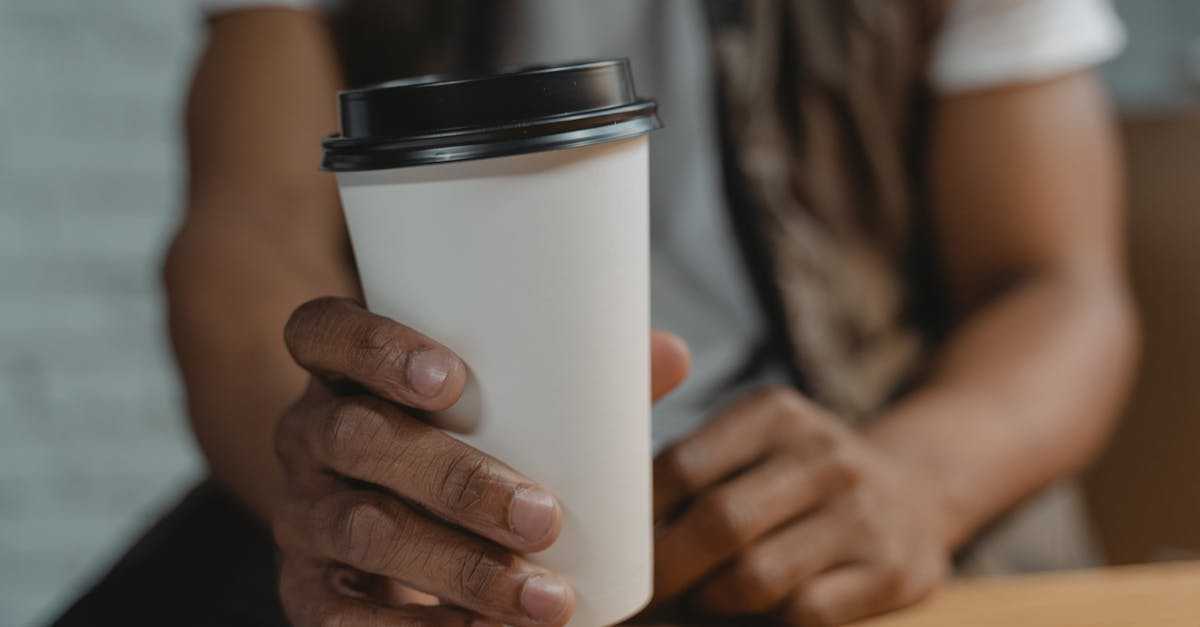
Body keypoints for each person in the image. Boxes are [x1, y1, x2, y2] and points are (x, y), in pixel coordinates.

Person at [55, 1, 1138, 626]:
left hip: (840, 494)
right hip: (439, 516)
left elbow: (1061, 287)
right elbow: (243, 241)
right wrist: (319, 473)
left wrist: (916, 481)